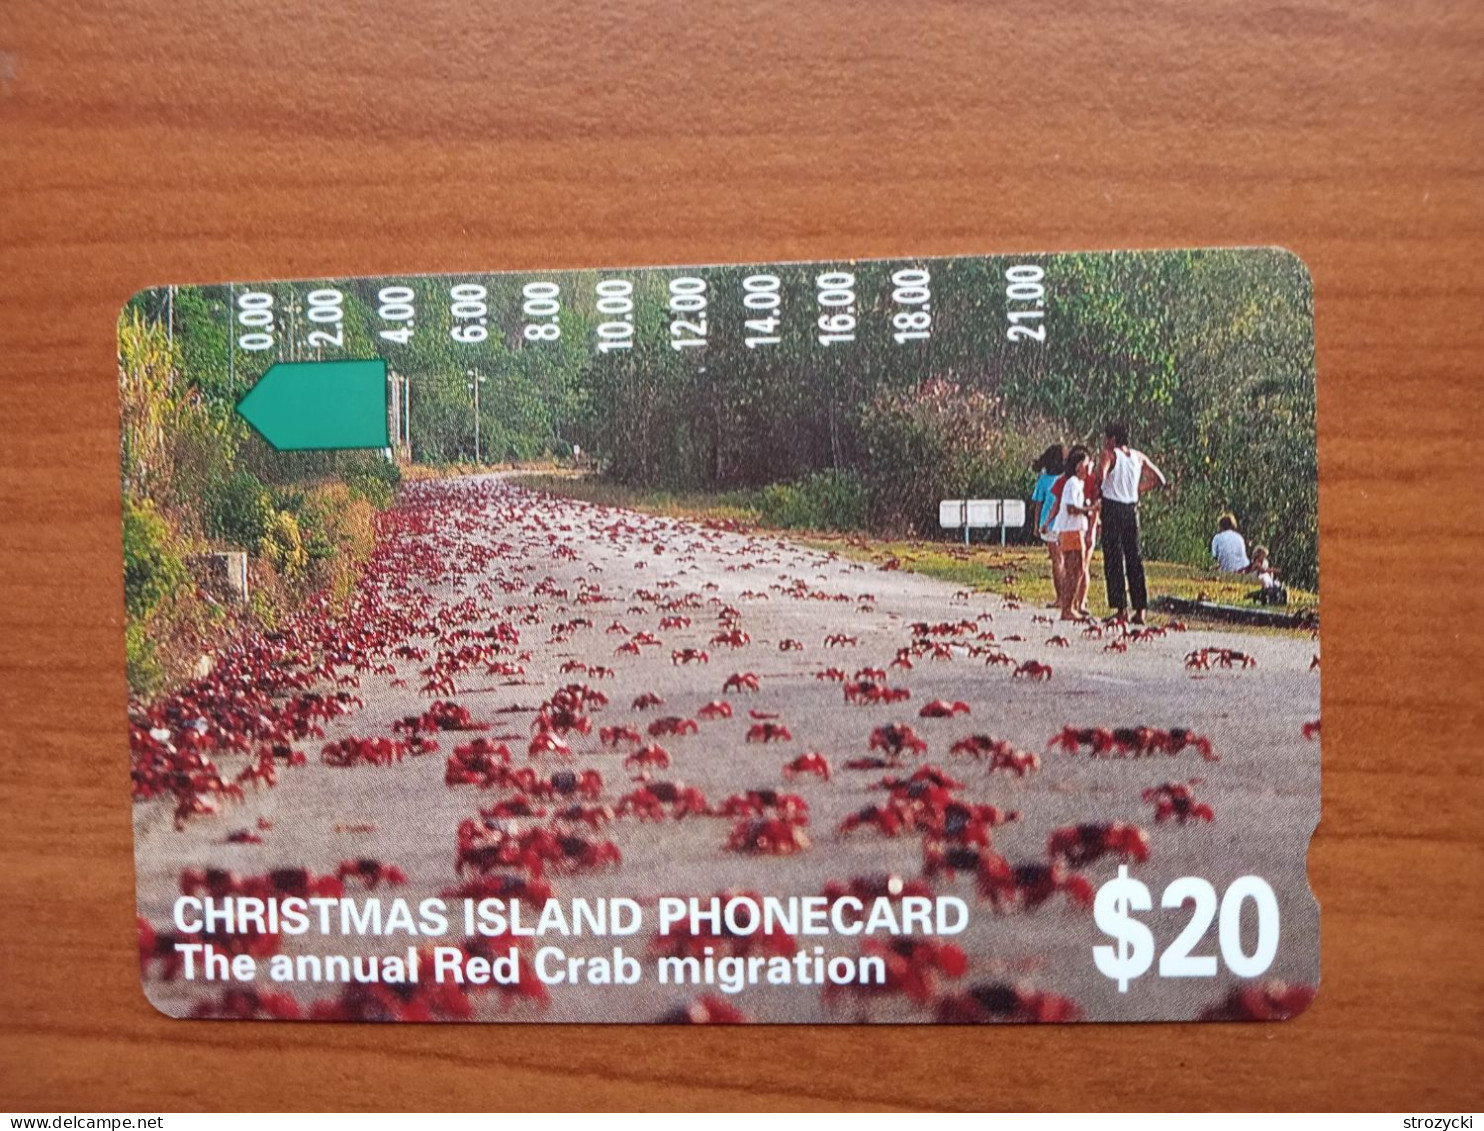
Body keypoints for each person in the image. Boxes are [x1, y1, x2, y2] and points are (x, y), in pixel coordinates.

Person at [1097, 422, 1167, 624]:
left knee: (1114, 559)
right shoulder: (1138, 456)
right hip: (1130, 509)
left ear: (1112, 439)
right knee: (1134, 558)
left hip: (1112, 507)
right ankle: (1140, 608)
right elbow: (1159, 479)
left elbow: (1101, 476)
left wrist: (1097, 489)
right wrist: (1138, 489)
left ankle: (1120, 609)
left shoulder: (1109, 455)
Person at [1052, 446, 1099, 621]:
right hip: (1070, 530)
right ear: (1079, 465)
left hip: (1076, 529)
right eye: (1087, 464)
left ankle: (1069, 606)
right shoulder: (1072, 483)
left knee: (1077, 569)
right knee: (1075, 569)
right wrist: (1091, 508)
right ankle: (1067, 608)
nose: (1089, 468)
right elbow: (1071, 508)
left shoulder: (1078, 484)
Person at [1030, 444, 1068, 610]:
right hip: (1065, 523)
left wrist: (1036, 524)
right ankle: (1068, 597)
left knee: (1057, 561)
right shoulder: (1066, 478)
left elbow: (1038, 504)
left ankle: (1061, 597)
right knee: (1067, 561)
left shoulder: (1044, 480)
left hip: (1048, 524)